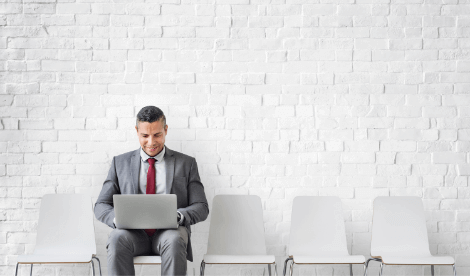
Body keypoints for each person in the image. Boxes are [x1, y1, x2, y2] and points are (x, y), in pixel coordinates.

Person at [94, 106, 209, 276]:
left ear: (166, 130)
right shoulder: (120, 163)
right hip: (132, 235)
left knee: (175, 239)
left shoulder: (187, 163)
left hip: (169, 233)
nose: (151, 142)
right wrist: (117, 219)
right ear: (137, 131)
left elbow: (201, 207)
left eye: (157, 135)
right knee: (116, 238)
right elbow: (101, 205)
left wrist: (178, 216)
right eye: (145, 136)